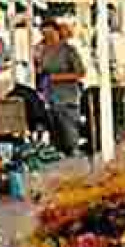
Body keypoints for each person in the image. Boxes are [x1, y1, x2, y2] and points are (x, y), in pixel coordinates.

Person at [36, 18, 85, 154]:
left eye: (50, 34)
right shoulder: (43, 50)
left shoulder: (68, 50)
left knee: (70, 134)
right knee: (55, 134)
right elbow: (40, 70)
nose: (48, 38)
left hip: (67, 97)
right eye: (45, 35)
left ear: (57, 33)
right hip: (50, 97)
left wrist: (58, 78)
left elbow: (80, 72)